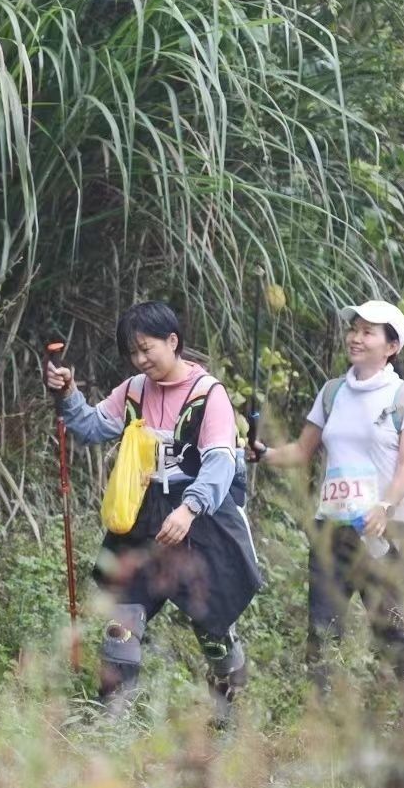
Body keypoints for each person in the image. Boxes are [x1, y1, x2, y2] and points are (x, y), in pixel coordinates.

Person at [43, 301, 259, 723]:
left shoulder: (208, 393)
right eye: (133, 353)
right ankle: (110, 725)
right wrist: (67, 394)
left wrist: (189, 509)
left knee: (213, 631)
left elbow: (220, 461)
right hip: (143, 518)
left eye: (147, 349)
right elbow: (91, 427)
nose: (141, 360)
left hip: (203, 520)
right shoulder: (134, 390)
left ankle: (227, 714)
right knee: (120, 623)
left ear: (172, 341)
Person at [252, 300, 404, 687]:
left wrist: (384, 507)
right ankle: (322, 710)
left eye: (367, 332)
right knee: (322, 630)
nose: (355, 338)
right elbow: (302, 451)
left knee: (391, 631)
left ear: (391, 346)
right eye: (354, 330)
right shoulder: (333, 392)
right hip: (331, 529)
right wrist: (263, 454)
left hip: (381, 532)